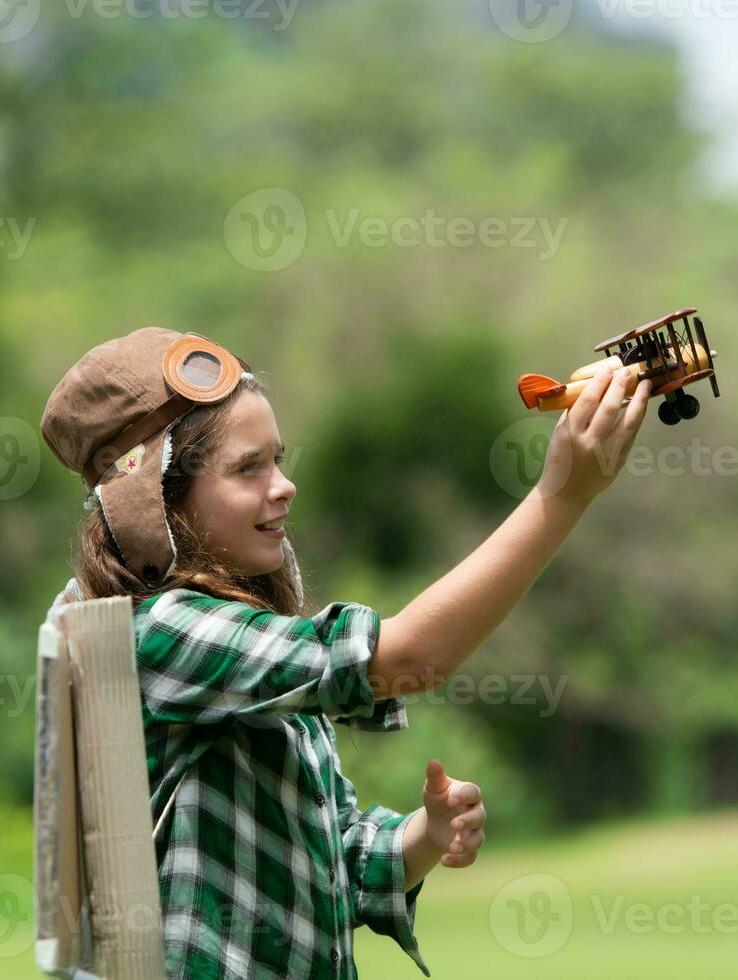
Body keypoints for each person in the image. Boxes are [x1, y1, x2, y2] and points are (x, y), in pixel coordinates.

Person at [39, 327, 652, 979]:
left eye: (276, 460)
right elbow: (404, 658)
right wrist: (561, 495)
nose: (283, 486)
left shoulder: (248, 645)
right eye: (248, 468)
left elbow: (337, 857)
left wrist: (423, 836)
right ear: (158, 500)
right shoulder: (160, 633)